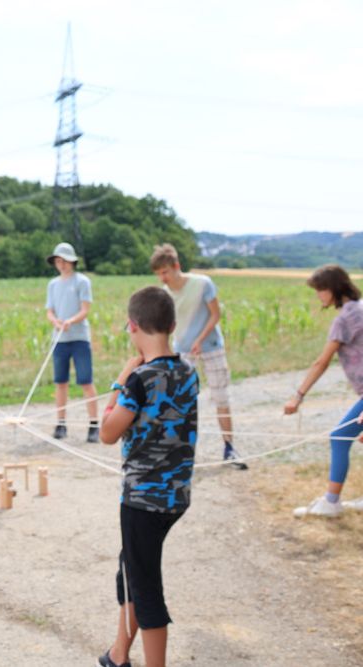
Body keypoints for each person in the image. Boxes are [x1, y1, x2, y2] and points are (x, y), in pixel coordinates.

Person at [97, 286, 197, 667]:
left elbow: (107, 432)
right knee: (131, 572)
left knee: (146, 589)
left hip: (143, 501)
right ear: (172, 325)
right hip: (176, 497)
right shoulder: (189, 372)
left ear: (132, 326)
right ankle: (118, 654)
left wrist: (121, 379)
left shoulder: (139, 380)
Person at [150, 243, 246, 469]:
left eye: (165, 272)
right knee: (180, 401)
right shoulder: (165, 295)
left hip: (211, 346)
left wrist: (200, 339)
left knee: (221, 397)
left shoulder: (203, 284)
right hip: (183, 350)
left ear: (176, 266)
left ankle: (229, 448)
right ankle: (178, 453)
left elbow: (216, 315)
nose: (162, 278)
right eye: (158, 274)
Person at [284, 265, 363, 517]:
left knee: (339, 436)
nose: (318, 295)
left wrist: (298, 395)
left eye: (320, 289)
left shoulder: (343, 320)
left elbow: (322, 362)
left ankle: (331, 502)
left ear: (333, 289)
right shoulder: (360, 308)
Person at [45, 242, 99, 442]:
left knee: (86, 381)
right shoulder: (52, 284)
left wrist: (71, 321)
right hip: (60, 340)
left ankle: (94, 425)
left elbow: (85, 310)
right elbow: (49, 311)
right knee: (60, 382)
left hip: (79, 339)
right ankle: (61, 424)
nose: (61, 264)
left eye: (65, 261)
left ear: (72, 262)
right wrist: (55, 321)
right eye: (58, 261)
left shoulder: (82, 281)